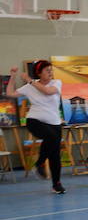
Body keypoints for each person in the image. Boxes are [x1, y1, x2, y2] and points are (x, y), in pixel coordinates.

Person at [6, 60, 65, 194]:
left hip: (54, 123)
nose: (50, 73)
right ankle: (39, 163)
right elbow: (10, 93)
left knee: (55, 154)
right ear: (39, 73)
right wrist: (13, 76)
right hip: (35, 121)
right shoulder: (29, 87)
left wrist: (30, 80)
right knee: (51, 137)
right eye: (47, 70)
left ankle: (56, 184)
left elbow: (48, 92)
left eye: (51, 70)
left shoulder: (56, 83)